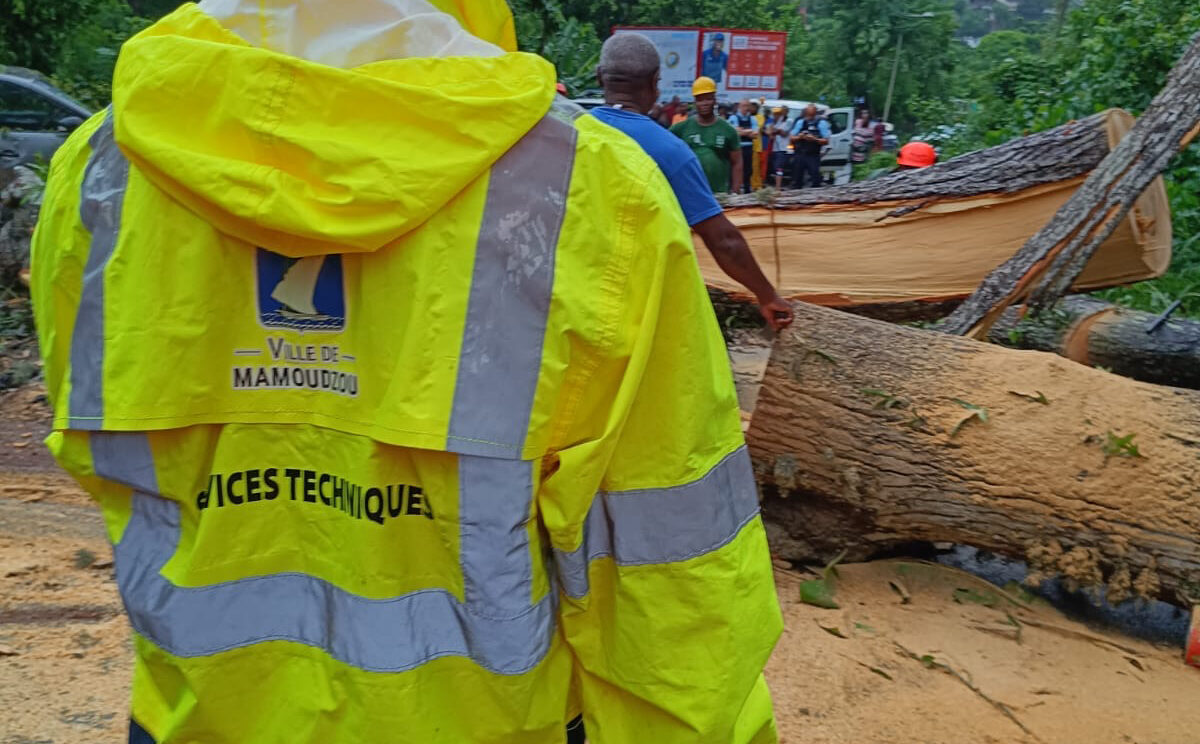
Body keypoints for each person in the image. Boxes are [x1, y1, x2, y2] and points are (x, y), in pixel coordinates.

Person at [30, 3, 784, 744]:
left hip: (200, 715)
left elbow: (96, 442)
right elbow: (671, 561)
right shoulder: (592, 189)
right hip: (491, 720)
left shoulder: (99, 172)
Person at [591, 33, 793, 331]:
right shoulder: (670, 151)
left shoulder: (568, 134)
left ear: (599, 78)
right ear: (655, 83)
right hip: (632, 308)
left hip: (567, 298)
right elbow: (723, 240)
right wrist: (767, 294)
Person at [671, 76, 742, 193]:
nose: (704, 103)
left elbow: (737, 163)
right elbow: (664, 147)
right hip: (689, 192)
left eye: (708, 99)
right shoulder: (682, 128)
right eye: (699, 100)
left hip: (718, 194)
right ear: (694, 102)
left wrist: (735, 192)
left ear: (715, 100)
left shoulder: (728, 130)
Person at [790, 103, 830, 189]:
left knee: (815, 179)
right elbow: (792, 138)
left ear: (815, 113)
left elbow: (826, 141)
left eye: (811, 115)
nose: (809, 117)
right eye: (808, 114)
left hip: (813, 155)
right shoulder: (800, 122)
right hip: (800, 154)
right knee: (797, 179)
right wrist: (800, 137)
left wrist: (814, 139)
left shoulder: (821, 123)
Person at [728, 98, 759, 194]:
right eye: (744, 106)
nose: (747, 108)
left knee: (748, 170)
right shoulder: (733, 118)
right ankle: (732, 190)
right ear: (739, 107)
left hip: (748, 148)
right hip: (737, 148)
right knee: (734, 170)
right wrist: (748, 131)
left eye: (748, 106)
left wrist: (742, 131)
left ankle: (747, 190)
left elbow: (755, 134)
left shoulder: (753, 119)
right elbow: (734, 133)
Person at [766, 105, 791, 189]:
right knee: (775, 168)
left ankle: (778, 187)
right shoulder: (775, 122)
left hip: (783, 148)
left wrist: (774, 130)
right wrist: (773, 130)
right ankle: (776, 185)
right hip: (774, 148)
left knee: (779, 167)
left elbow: (783, 133)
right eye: (775, 114)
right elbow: (769, 133)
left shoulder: (788, 121)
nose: (776, 115)